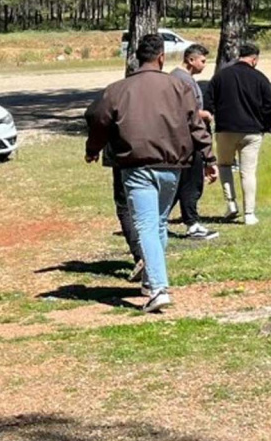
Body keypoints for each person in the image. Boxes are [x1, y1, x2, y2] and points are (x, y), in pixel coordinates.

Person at [85, 34, 215, 313]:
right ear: (161, 57)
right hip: (173, 166)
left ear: (136, 58)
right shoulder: (179, 86)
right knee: (157, 224)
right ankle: (150, 280)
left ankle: (158, 288)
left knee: (146, 225)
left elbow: (98, 118)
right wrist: (208, 156)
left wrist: (93, 149)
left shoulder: (118, 89)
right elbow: (195, 124)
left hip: (137, 166)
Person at [208, 41, 271, 225]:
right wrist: (265, 125)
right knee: (248, 172)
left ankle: (231, 203)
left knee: (224, 165)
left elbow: (209, 102)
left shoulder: (221, 76)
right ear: (254, 59)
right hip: (252, 131)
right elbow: (270, 106)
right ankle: (249, 213)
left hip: (225, 129)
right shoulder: (260, 78)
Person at [171, 43, 218, 241]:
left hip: (191, 138)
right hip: (189, 140)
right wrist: (203, 114)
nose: (204, 65)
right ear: (191, 60)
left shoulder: (185, 78)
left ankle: (158, 220)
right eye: (202, 61)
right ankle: (192, 224)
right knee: (191, 183)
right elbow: (182, 110)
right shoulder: (181, 80)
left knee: (181, 184)